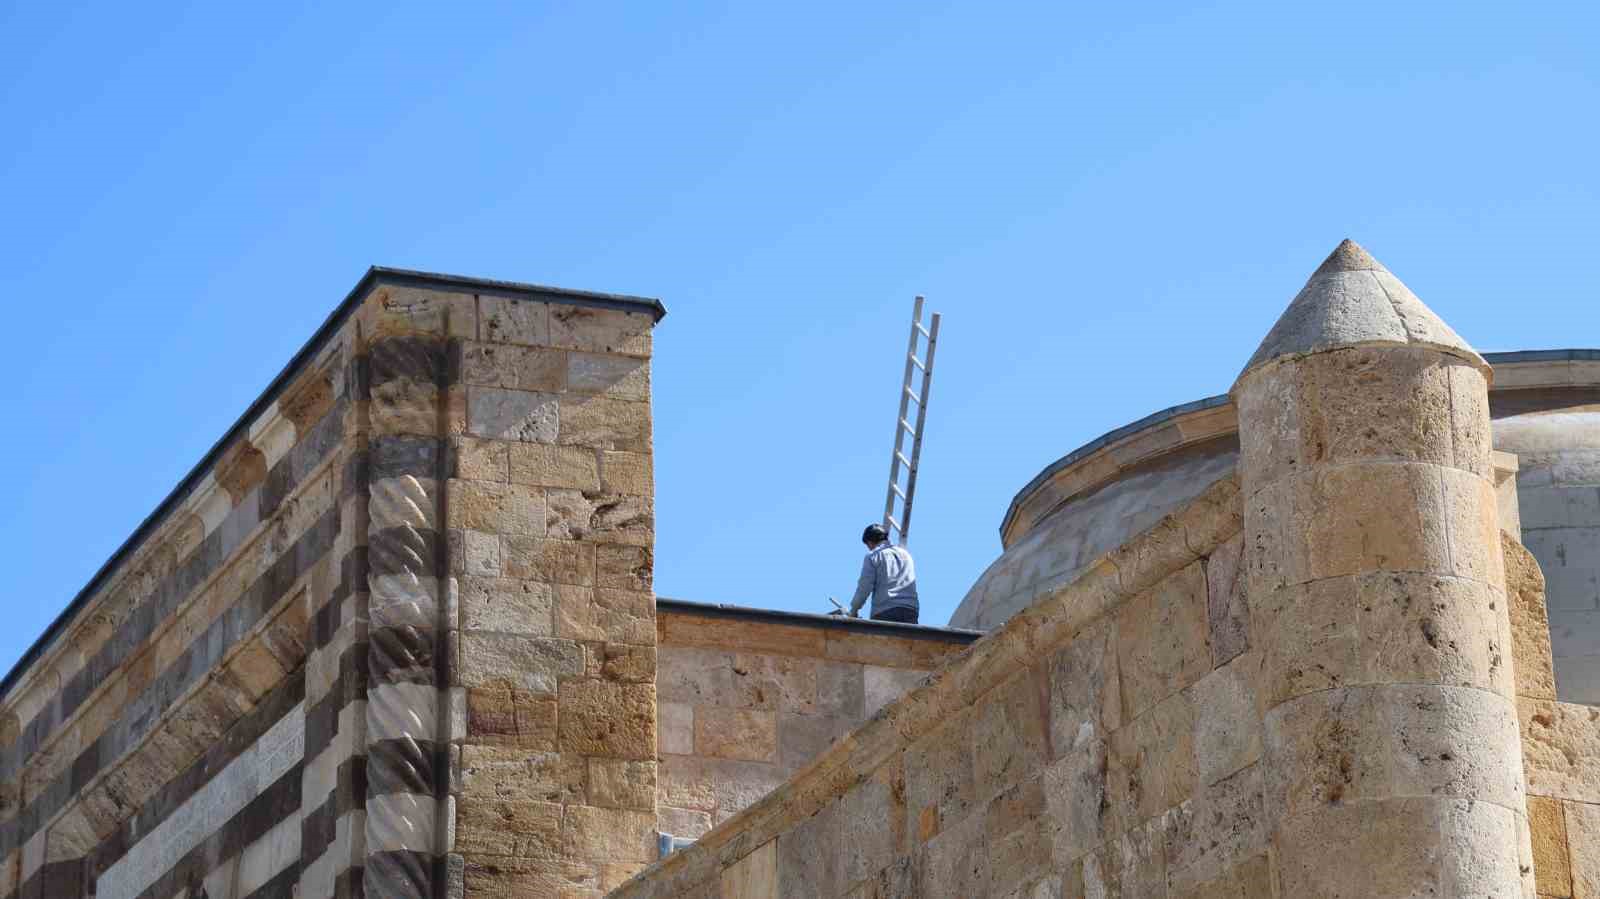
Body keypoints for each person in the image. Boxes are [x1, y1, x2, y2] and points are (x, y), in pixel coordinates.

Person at [848, 523, 919, 624]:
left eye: (868, 545)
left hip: (886, 611)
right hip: (910, 610)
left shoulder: (873, 556)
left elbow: (865, 586)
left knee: (881, 635)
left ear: (870, 542)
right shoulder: (906, 555)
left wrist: (854, 610)